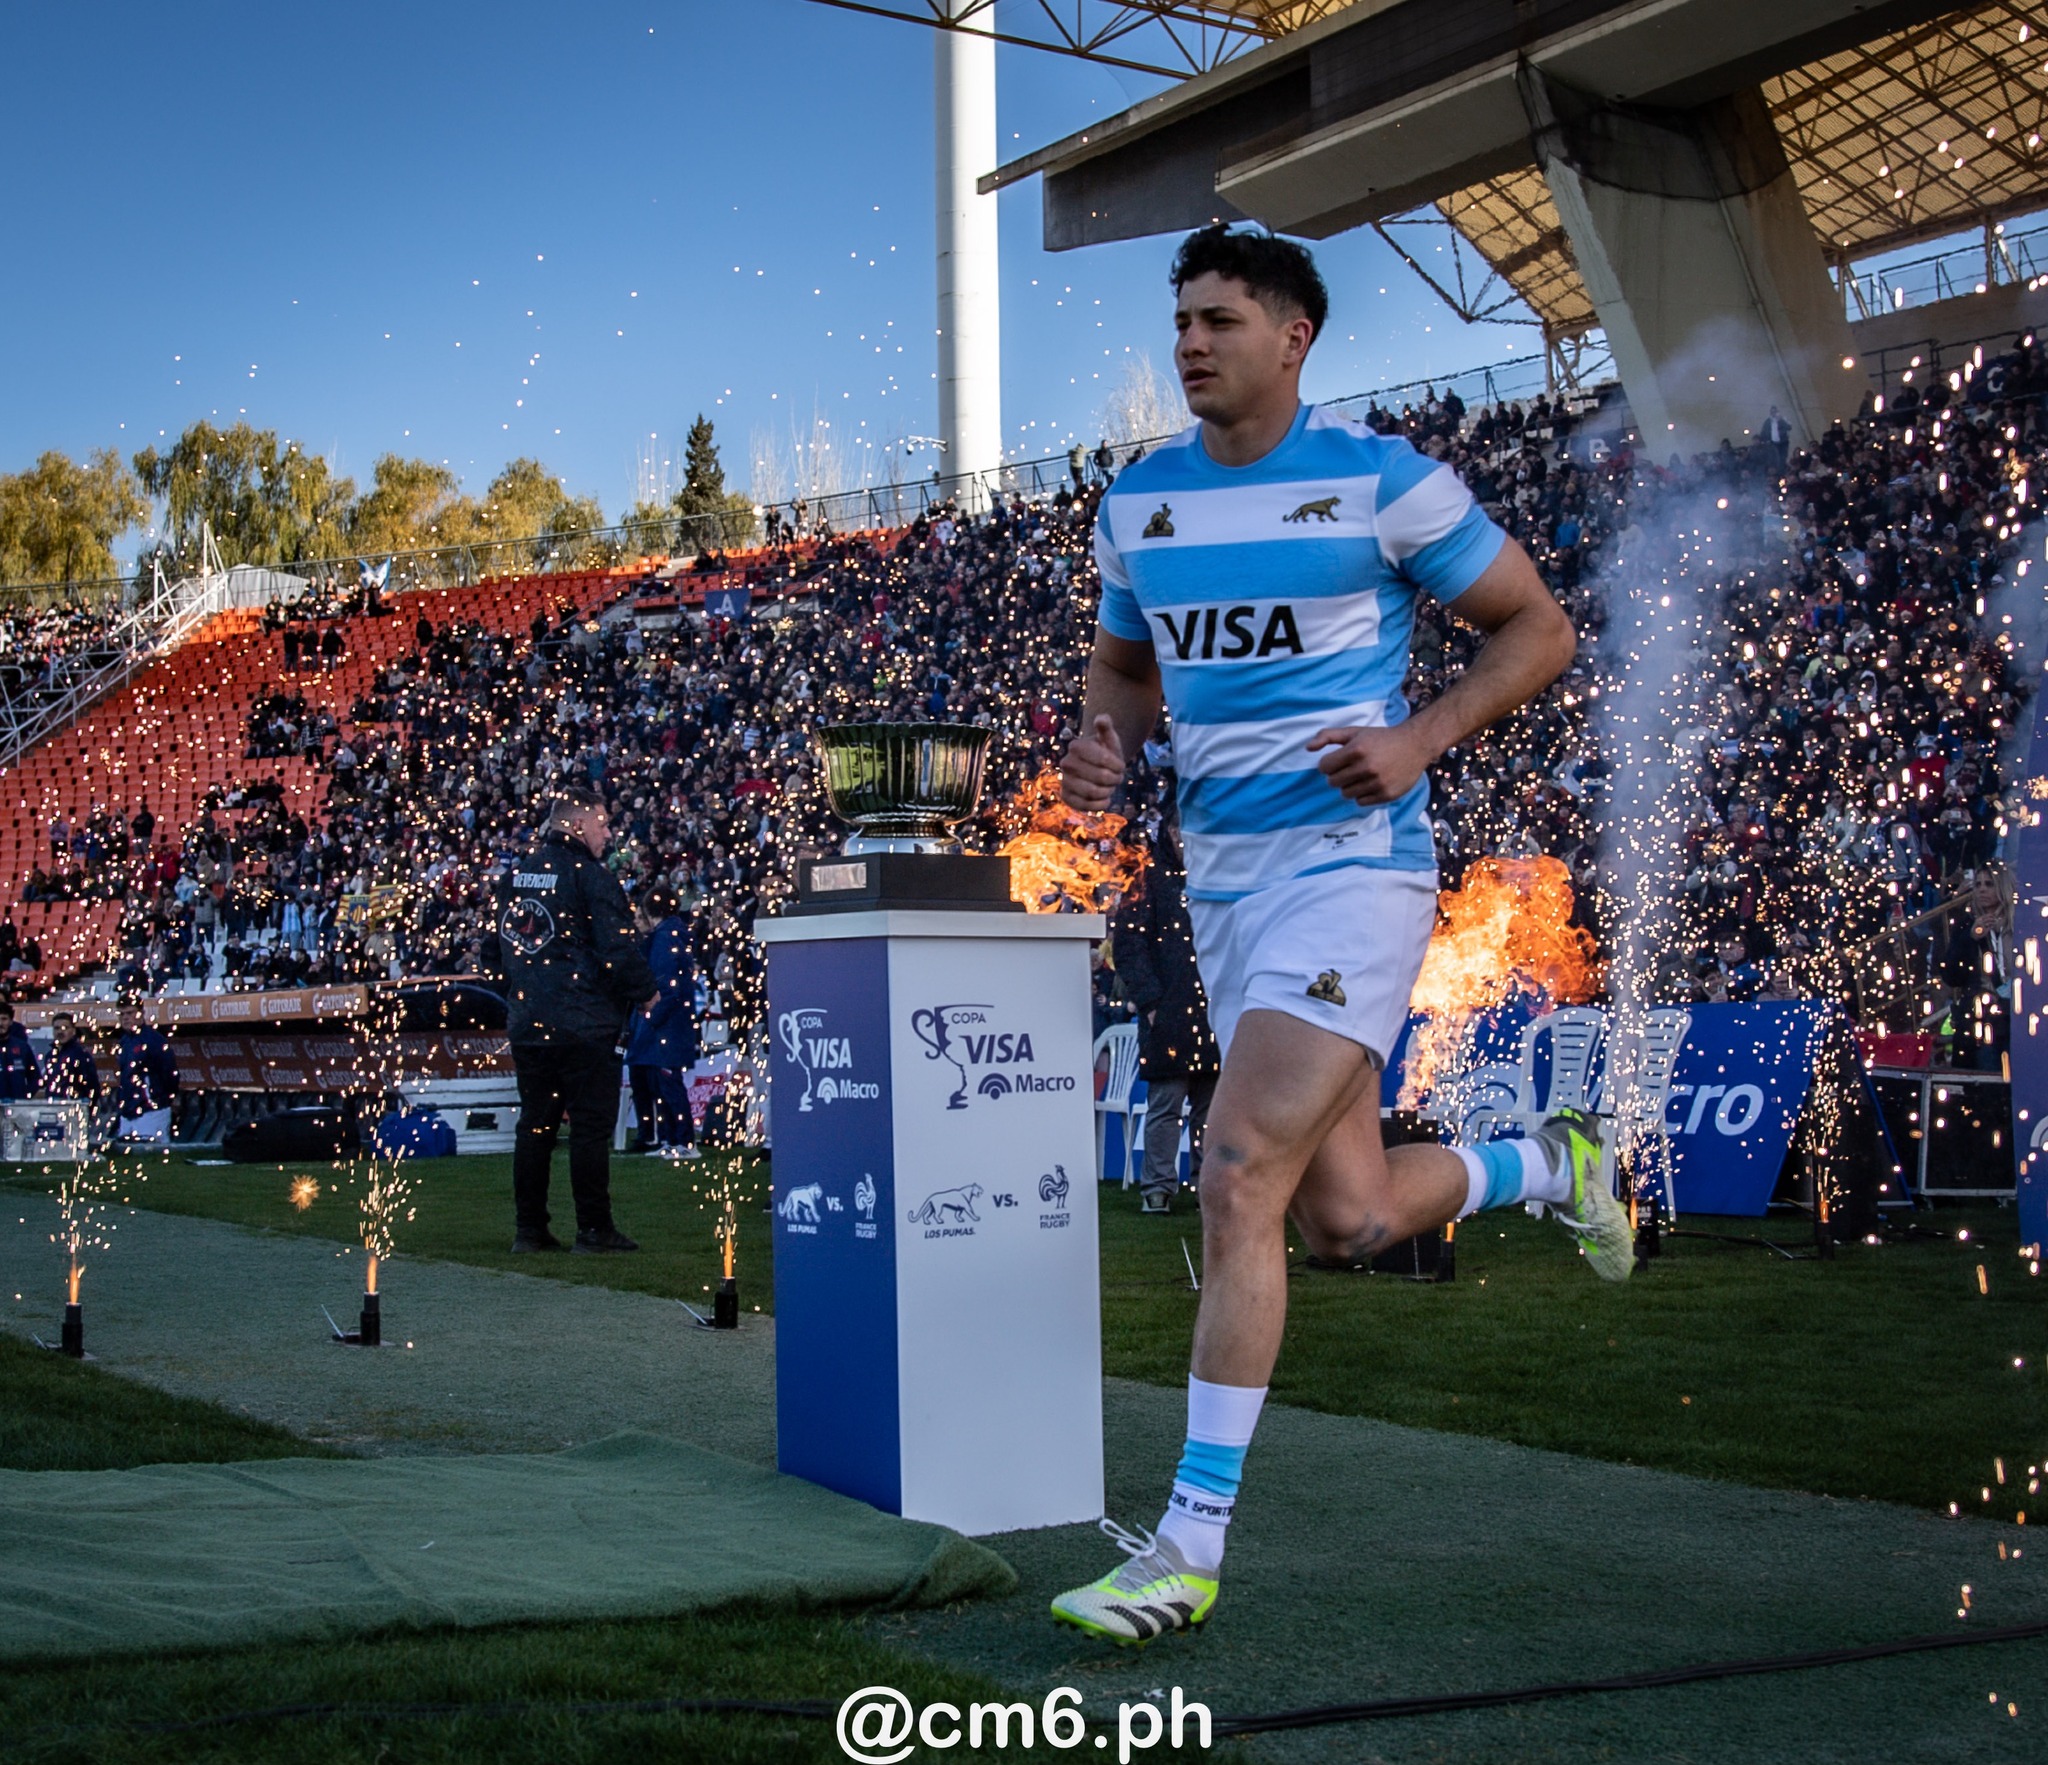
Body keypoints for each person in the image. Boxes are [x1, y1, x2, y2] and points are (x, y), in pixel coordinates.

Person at [1049, 224, 1623, 1645]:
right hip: (1223, 890)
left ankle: (1184, 1546)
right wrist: (1099, 747)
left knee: (1236, 1170)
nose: (1190, 342)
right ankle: (1549, 1164)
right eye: (1181, 320)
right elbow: (1122, 672)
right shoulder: (1137, 504)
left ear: (1293, 337)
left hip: (1354, 874)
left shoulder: (1380, 481)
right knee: (1348, 1217)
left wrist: (1422, 735)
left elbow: (1537, 630)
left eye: (1219, 320)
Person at [497, 779, 654, 1253]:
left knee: (535, 1127)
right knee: (588, 1128)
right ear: (579, 822)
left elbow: (505, 949)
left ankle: (529, 1230)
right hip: (583, 1023)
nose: (608, 835)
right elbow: (615, 948)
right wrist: (646, 993)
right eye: (603, 824)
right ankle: (594, 1227)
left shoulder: (519, 873)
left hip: (530, 1021)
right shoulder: (591, 877)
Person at [1111, 806, 1217, 1213]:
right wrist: (1152, 1003)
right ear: (1168, 831)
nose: (1185, 838)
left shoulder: (1218, 875)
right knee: (1166, 1103)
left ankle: (1210, 1186)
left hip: (1213, 1010)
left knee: (1212, 1105)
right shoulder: (1147, 878)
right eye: (1179, 828)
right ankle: (1157, 1187)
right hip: (1167, 1011)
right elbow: (1129, 947)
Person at [625, 886, 701, 1160]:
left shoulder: (665, 939)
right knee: (663, 1084)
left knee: (669, 1084)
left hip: (667, 1024)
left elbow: (668, 988)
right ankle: (671, 1140)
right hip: (671, 1023)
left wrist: (652, 1016)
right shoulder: (671, 935)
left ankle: (684, 1142)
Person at [113, 997, 178, 1142]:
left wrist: (162, 1098)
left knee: (151, 1156)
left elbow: (170, 1073)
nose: (125, 1018)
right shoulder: (124, 1041)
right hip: (128, 1111)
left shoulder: (153, 1040)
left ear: (141, 1013)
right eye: (121, 1014)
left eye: (130, 1013)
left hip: (151, 1110)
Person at [43, 1012, 99, 1102]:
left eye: (65, 1028)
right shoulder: (50, 1056)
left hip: (75, 1107)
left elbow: (92, 1086)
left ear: (73, 1031)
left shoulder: (81, 1055)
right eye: (57, 1028)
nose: (60, 1032)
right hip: (53, 1107)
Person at [0, 1001, 38, 1099]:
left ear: (11, 1021)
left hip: (18, 1107)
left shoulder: (22, 1047)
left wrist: (25, 1096)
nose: (0, 1023)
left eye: (4, 1019)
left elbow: (35, 1077)